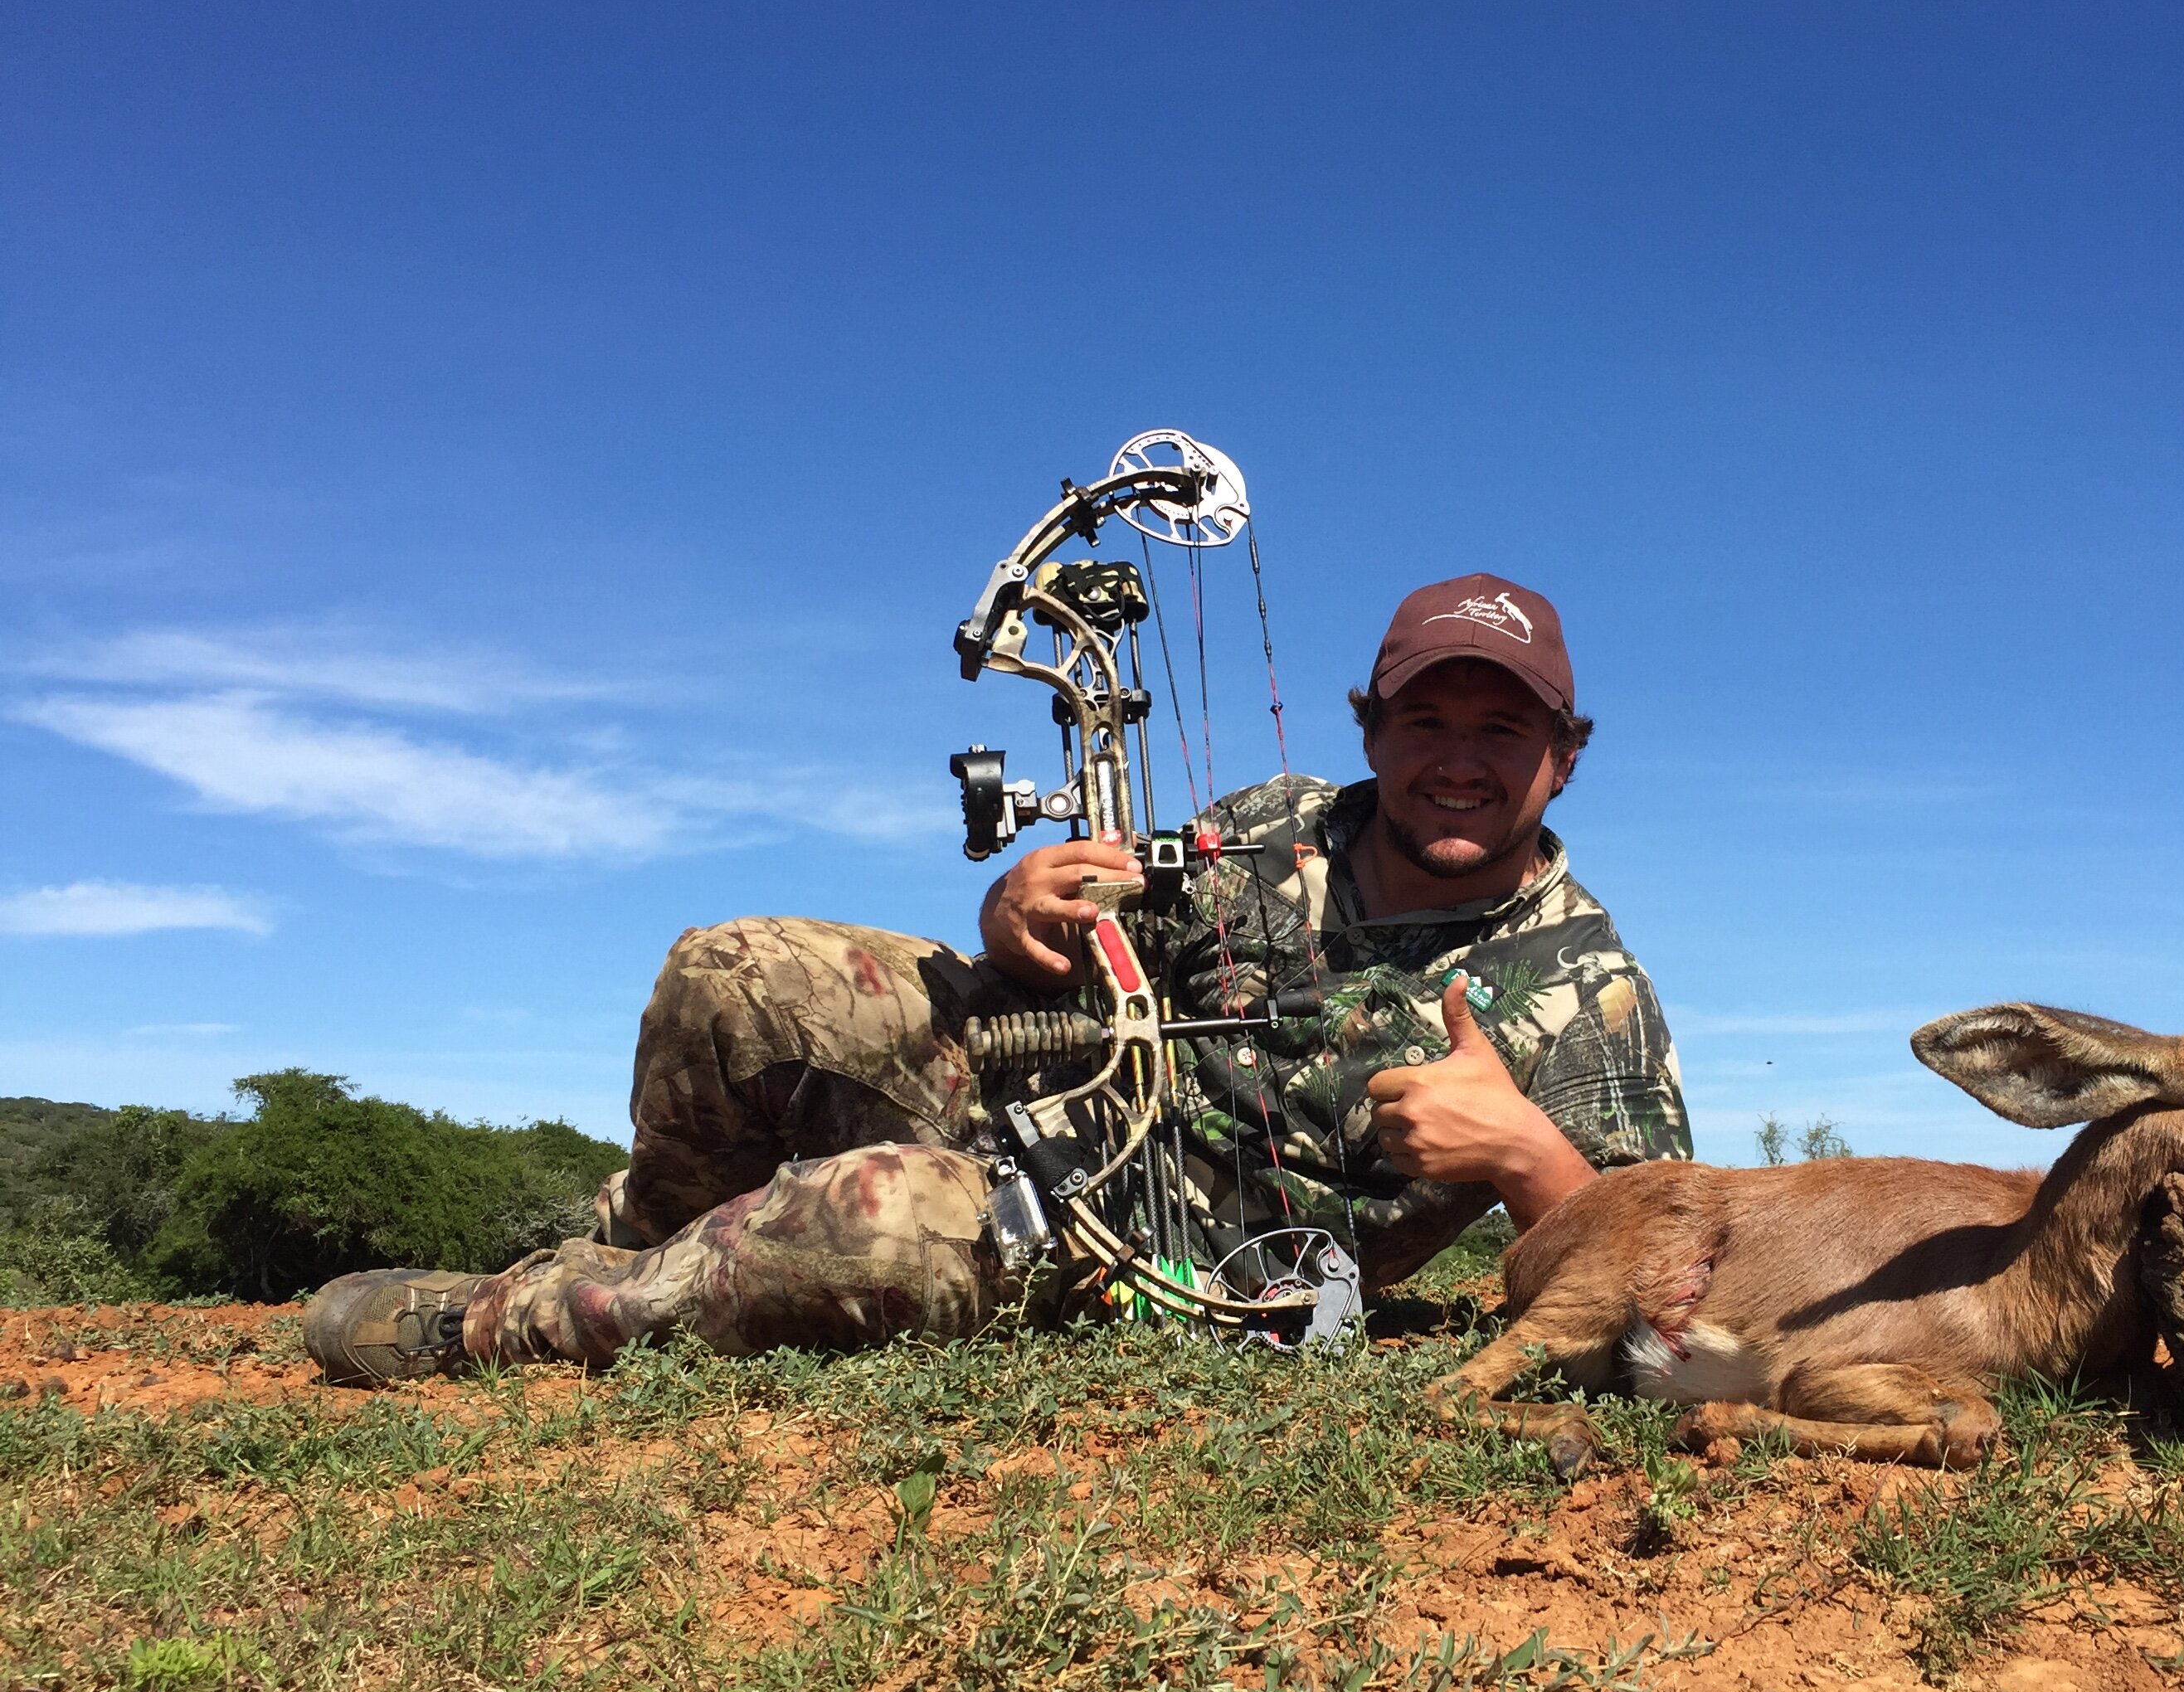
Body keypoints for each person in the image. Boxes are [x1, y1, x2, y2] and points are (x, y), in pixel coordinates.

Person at [304, 573, 1690, 1383]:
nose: (1456, 756)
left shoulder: (1591, 985)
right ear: (1369, 730)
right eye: (1424, 719)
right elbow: (1098, 908)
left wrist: (1521, 1155)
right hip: (1044, 1079)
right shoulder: (1275, 816)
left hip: (1140, 1255)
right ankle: (657, 1244)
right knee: (724, 973)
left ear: (1562, 755)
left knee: (883, 1221)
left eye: (1499, 730)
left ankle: (506, 1319)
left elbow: (1663, 1290)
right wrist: (1018, 899)